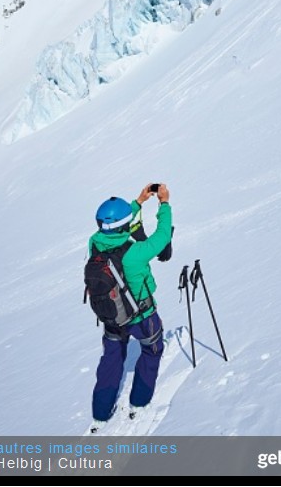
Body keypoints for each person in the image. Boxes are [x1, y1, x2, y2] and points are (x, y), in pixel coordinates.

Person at [89, 183, 172, 429]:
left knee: (111, 360)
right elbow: (163, 235)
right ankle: (140, 399)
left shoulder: (94, 244)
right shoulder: (136, 252)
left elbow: (114, 225)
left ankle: (101, 412)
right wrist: (164, 204)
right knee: (152, 350)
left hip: (111, 318)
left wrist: (137, 202)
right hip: (142, 316)